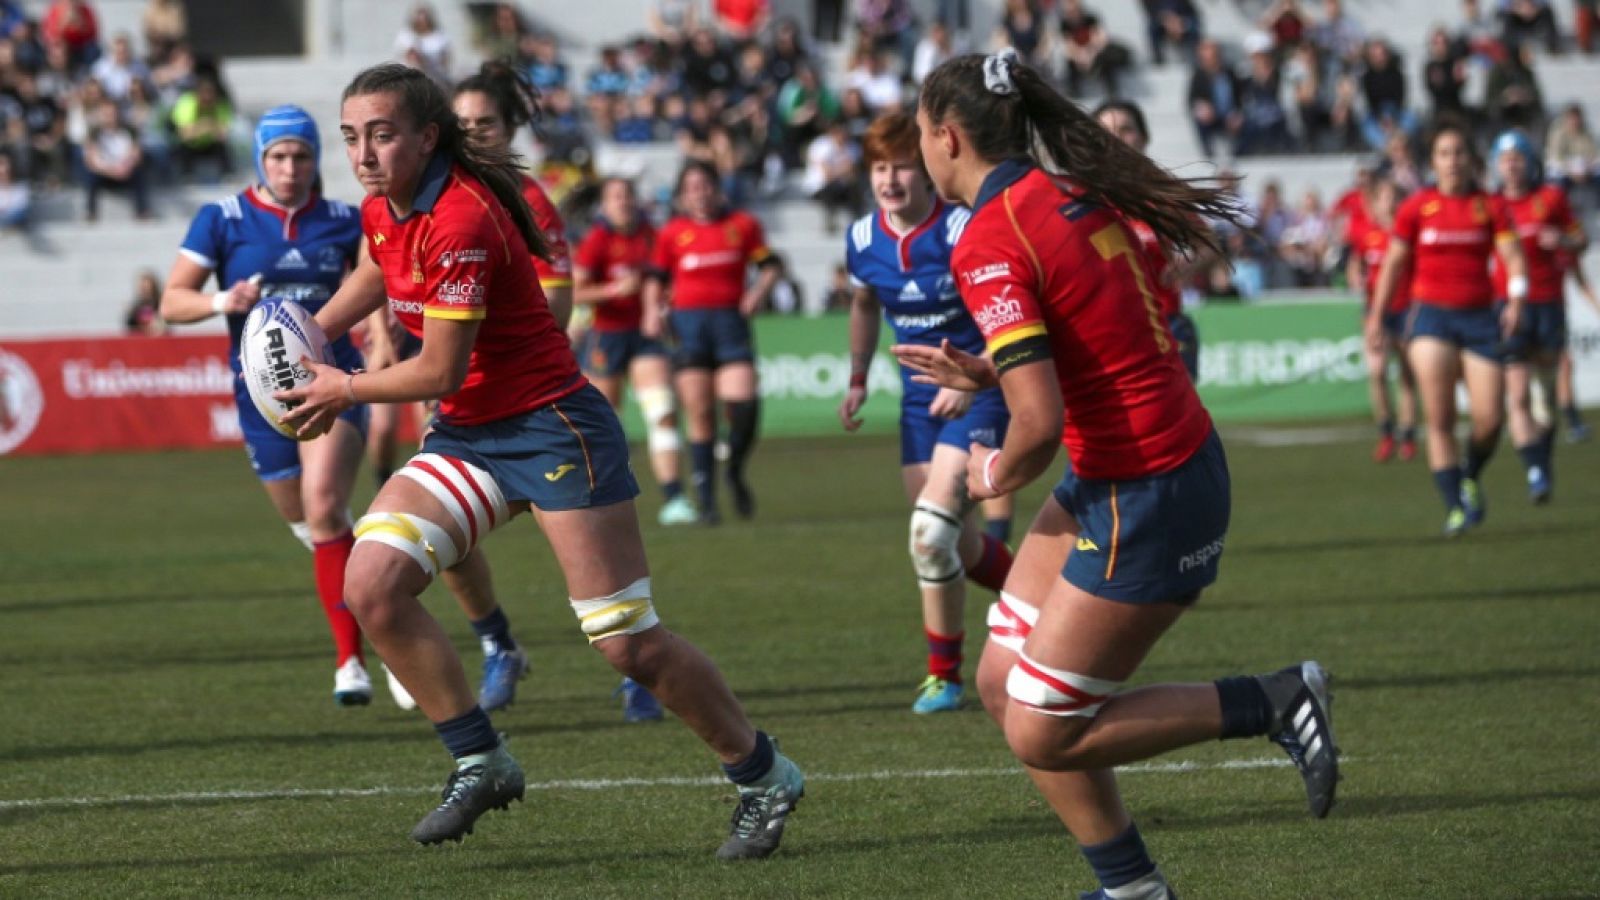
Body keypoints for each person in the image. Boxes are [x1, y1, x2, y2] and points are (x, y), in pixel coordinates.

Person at [277, 62, 805, 853]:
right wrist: (306, 334)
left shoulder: (461, 217)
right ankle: (480, 759)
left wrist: (342, 386)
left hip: (553, 430)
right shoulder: (385, 205)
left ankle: (764, 775)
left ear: (427, 137)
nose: (363, 152)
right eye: (351, 136)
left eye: (381, 135)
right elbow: (375, 272)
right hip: (469, 435)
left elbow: (439, 370)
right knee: (373, 587)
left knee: (627, 642)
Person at [894, 50, 1339, 900]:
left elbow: (1038, 428)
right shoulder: (1064, 194)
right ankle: (1133, 888)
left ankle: (1276, 700)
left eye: (920, 136)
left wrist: (992, 472)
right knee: (1000, 682)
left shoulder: (992, 235)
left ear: (948, 138)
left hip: (1150, 488)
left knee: (1043, 731)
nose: (921, 153)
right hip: (1130, 472)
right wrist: (994, 375)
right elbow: (1092, 339)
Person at [159, 105, 376, 705]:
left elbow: (379, 286)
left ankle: (351, 663)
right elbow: (172, 302)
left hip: (335, 382)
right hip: (260, 398)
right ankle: (387, 611)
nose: (289, 167)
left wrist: (381, 344)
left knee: (324, 503)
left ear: (315, 161)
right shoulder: (222, 218)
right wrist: (221, 300)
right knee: (314, 528)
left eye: (301, 155)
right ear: (260, 159)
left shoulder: (344, 219)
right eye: (278, 156)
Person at [837, 110, 1016, 715]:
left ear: (926, 169)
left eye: (903, 168)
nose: (890, 180)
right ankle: (1037, 598)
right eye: (880, 169)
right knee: (952, 545)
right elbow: (864, 303)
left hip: (981, 390)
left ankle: (944, 676)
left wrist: (976, 373)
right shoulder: (862, 239)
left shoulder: (964, 227)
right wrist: (859, 376)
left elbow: (1007, 304)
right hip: (918, 403)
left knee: (929, 531)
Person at [1371, 121, 1528, 536]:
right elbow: (1394, 264)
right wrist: (1377, 316)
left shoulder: (1490, 205)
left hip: (1480, 318)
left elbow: (1512, 257)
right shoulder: (1417, 206)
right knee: (1438, 418)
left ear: (1470, 158)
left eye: (1459, 152)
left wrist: (1516, 298)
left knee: (1490, 420)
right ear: (1433, 161)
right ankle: (1454, 506)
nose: (1452, 160)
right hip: (1431, 318)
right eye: (1444, 153)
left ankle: (1470, 474)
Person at [643, 161, 782, 524]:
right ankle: (706, 499)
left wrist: (758, 292)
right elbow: (656, 279)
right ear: (682, 196)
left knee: (744, 405)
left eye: (705, 185)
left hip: (730, 326)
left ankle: (734, 469)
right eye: (692, 188)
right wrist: (651, 311)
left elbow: (770, 265)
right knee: (700, 413)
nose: (700, 193)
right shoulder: (672, 233)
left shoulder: (742, 225)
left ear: (717, 189)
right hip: (689, 329)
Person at [573, 178, 697, 527]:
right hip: (606, 337)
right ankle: (602, 502)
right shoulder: (597, 241)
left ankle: (674, 497)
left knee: (663, 411)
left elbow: (669, 276)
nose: (623, 202)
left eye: (627, 196)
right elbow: (576, 294)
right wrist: (613, 290)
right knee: (605, 424)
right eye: (615, 197)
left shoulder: (651, 236)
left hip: (645, 335)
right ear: (604, 205)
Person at [1490, 130, 1587, 502]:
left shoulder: (1551, 198)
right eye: (1505, 159)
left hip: (1548, 303)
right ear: (1497, 165)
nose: (1512, 165)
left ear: (1529, 162)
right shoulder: (1492, 204)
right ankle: (1535, 473)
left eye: (1518, 158)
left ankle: (1541, 460)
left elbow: (1580, 239)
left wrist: (1561, 240)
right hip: (1508, 306)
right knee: (1516, 395)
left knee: (1545, 399)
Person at [1094, 99, 1203, 380]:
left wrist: (1190, 265)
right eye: (1106, 131)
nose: (1116, 138)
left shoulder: (1163, 194)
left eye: (1126, 129)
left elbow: (1207, 241)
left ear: (1143, 137)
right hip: (1105, 331)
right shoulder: (1082, 197)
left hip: (1165, 324)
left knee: (1179, 417)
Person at [1350, 177, 1418, 462]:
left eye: (1392, 197)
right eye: (1382, 197)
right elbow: (1357, 262)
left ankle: (1408, 434)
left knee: (1406, 374)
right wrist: (1356, 277)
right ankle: (1386, 431)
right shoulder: (1369, 234)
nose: (1387, 203)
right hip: (1375, 312)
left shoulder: (1407, 236)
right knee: (1377, 372)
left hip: (1405, 309)